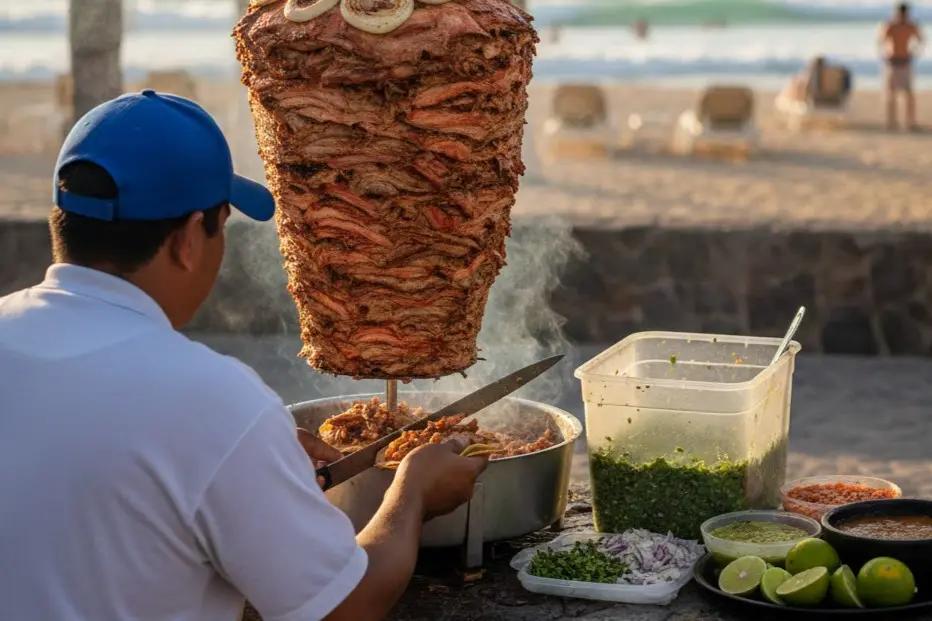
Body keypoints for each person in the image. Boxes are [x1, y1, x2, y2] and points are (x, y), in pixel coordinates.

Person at [0, 91, 487, 621]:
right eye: (223, 225)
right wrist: (412, 493)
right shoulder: (211, 399)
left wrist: (253, 455)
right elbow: (345, 607)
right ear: (189, 239)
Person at [878, 2, 925, 130]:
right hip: (893, 61)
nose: (902, 16)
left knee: (908, 93)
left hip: (905, 61)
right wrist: (885, 53)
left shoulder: (911, 26)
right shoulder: (891, 25)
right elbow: (881, 41)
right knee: (891, 93)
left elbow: (921, 40)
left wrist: (914, 51)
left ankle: (910, 122)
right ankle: (891, 122)